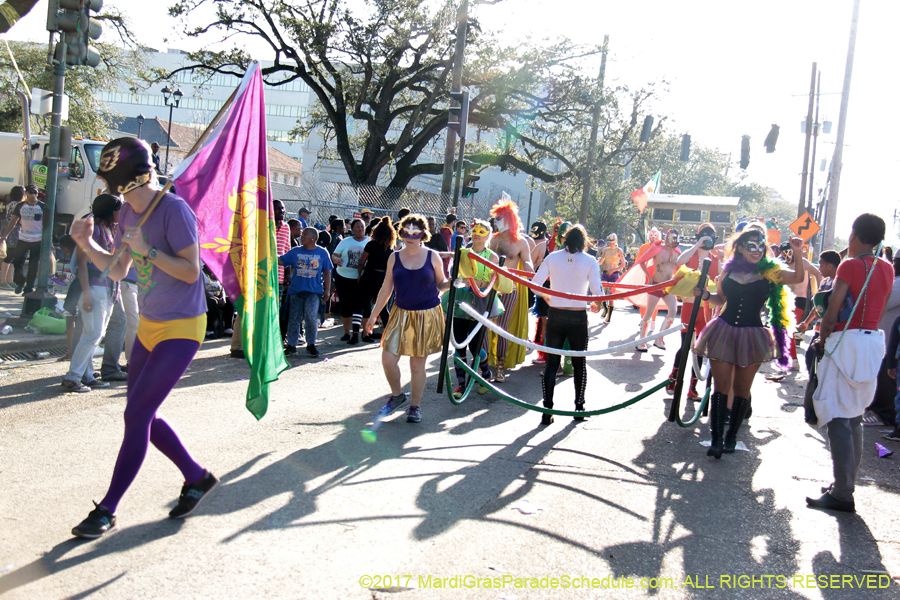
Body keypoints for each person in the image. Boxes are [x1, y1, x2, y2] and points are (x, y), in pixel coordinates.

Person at [68, 137, 217, 538]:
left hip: (183, 326)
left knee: (135, 415)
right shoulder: (128, 215)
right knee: (142, 415)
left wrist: (149, 251)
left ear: (131, 178)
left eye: (110, 180)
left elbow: (190, 272)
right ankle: (196, 476)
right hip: (150, 325)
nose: (106, 187)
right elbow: (117, 270)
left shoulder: (174, 210)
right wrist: (87, 243)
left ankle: (107, 509)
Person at [693, 225, 806, 459]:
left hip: (753, 334)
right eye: (751, 245)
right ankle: (716, 439)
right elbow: (720, 299)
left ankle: (731, 437)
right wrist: (704, 295)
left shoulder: (770, 271)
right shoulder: (728, 271)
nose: (757, 250)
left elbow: (797, 277)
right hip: (723, 331)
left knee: (743, 389)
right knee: (721, 388)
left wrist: (797, 252)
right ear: (741, 248)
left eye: (760, 245)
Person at [806, 214, 893, 512]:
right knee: (854, 416)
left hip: (846, 342)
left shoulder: (850, 265)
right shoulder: (886, 267)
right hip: (872, 343)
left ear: (855, 236)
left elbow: (832, 310)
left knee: (839, 418)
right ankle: (844, 485)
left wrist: (821, 336)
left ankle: (843, 492)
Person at [365, 214, 450, 423]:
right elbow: (386, 288)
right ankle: (397, 396)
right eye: (406, 232)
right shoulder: (394, 256)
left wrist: (454, 282)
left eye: (415, 233)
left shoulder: (433, 256)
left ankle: (415, 406)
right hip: (400, 314)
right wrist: (373, 316)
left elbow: (441, 284)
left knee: (416, 365)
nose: (410, 236)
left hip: (426, 315)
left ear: (423, 234)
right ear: (400, 233)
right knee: (388, 359)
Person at [532, 224, 604, 425]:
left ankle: (547, 410)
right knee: (580, 364)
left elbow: (535, 284)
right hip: (577, 317)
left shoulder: (553, 257)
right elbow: (597, 292)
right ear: (584, 242)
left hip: (556, 315)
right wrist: (597, 304)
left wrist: (547, 295)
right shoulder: (590, 261)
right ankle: (579, 407)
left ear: (564, 239)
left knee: (551, 365)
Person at [61, 194, 121, 392]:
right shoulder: (93, 229)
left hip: (108, 288)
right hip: (94, 288)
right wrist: (86, 292)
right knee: (93, 333)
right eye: (118, 210)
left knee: (96, 333)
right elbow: (81, 262)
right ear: (110, 211)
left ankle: (86, 375)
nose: (121, 214)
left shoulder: (108, 229)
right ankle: (73, 376)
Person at [665, 223, 721, 399]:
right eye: (704, 236)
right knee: (685, 345)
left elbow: (722, 279)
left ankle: (693, 387)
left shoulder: (716, 258)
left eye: (710, 236)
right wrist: (697, 245)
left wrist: (724, 256)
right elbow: (680, 262)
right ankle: (673, 378)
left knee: (700, 349)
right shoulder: (692, 254)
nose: (707, 239)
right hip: (689, 307)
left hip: (706, 309)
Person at [447, 219, 500, 397]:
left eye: (482, 231)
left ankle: (485, 376)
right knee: (459, 344)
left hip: (480, 302)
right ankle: (461, 385)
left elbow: (492, 281)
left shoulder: (493, 257)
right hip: (461, 299)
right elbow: (454, 272)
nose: (477, 233)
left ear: (488, 236)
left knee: (475, 346)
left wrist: (478, 283)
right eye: (475, 230)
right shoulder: (463, 252)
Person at [634, 229, 708, 351]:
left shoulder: (677, 252)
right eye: (673, 238)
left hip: (668, 287)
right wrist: (649, 276)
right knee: (649, 313)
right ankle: (642, 341)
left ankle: (659, 338)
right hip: (656, 285)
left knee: (673, 310)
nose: (675, 241)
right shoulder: (657, 249)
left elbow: (682, 267)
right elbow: (642, 261)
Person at [487, 196, 534, 382]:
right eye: (495, 217)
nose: (496, 221)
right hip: (489, 287)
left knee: (502, 327)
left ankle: (500, 366)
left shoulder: (521, 242)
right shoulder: (491, 240)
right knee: (484, 324)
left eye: (499, 217)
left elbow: (528, 260)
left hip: (509, 289)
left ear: (509, 218)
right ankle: (482, 363)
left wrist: (529, 266)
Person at [280, 227, 333, 357]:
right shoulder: (295, 251)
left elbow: (327, 272)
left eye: (305, 234)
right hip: (296, 291)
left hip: (313, 292)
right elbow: (280, 260)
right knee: (294, 318)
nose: (302, 236)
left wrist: (327, 290)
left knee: (311, 317)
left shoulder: (322, 253)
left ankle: (311, 344)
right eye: (302, 234)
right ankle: (291, 345)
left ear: (313, 238)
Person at [866, 254, 900, 427]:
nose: (894, 264)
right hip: (886, 341)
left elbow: (881, 302)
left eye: (896, 262)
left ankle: (884, 416)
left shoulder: (898, 283)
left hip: (891, 343)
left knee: (887, 382)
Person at [780, 241, 823, 370]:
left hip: (799, 300)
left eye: (788, 252)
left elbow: (818, 273)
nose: (787, 256)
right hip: (787, 300)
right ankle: (788, 357)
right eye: (784, 253)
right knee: (785, 329)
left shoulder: (802, 262)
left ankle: (793, 360)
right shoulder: (783, 264)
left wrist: (820, 291)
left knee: (788, 329)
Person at [331, 218, 370, 344]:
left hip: (363, 279)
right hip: (344, 277)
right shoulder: (345, 242)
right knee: (346, 305)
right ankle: (347, 333)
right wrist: (336, 260)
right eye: (357, 227)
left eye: (362, 227)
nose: (360, 229)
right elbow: (334, 255)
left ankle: (365, 333)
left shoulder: (370, 242)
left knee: (365, 306)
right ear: (352, 229)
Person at [1, 184, 44, 295]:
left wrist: (49, 240)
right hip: (23, 238)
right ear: (26, 194)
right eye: (31, 192)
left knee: (33, 265)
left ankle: (28, 288)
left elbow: (48, 224)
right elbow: (13, 221)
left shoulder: (42, 206)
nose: (33, 195)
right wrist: (5, 235)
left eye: (35, 192)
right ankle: (20, 282)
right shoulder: (20, 206)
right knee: (18, 262)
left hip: (37, 240)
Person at [358, 217, 395, 342]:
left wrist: (359, 275)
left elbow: (361, 262)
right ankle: (390, 335)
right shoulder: (391, 248)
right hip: (383, 277)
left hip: (369, 275)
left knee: (362, 304)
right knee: (383, 308)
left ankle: (360, 334)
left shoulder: (371, 244)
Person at [597, 233, 626, 323]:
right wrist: (595, 261)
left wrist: (614, 270)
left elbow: (623, 264)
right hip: (605, 272)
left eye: (612, 241)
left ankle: (609, 317)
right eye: (609, 241)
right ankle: (605, 308)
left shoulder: (619, 250)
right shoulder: (605, 250)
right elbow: (601, 262)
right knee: (601, 291)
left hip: (614, 274)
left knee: (611, 295)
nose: (611, 243)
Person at [0, 186, 24, 289]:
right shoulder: (18, 205)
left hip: (9, 230)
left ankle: (9, 280)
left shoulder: (9, 204)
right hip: (14, 232)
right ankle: (3, 281)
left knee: (12, 257)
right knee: (9, 257)